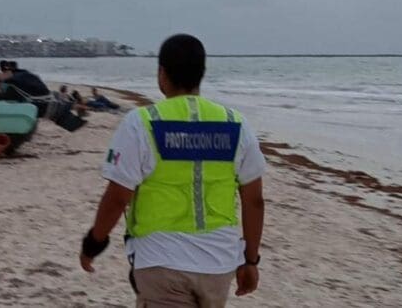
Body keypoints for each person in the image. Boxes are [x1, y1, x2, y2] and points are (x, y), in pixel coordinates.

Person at [79, 34, 266, 307]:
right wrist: (250, 260)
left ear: (162, 73)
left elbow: (118, 196)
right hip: (218, 263)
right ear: (202, 73)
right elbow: (254, 200)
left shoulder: (141, 123)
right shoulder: (235, 124)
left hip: (160, 260)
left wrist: (93, 244)